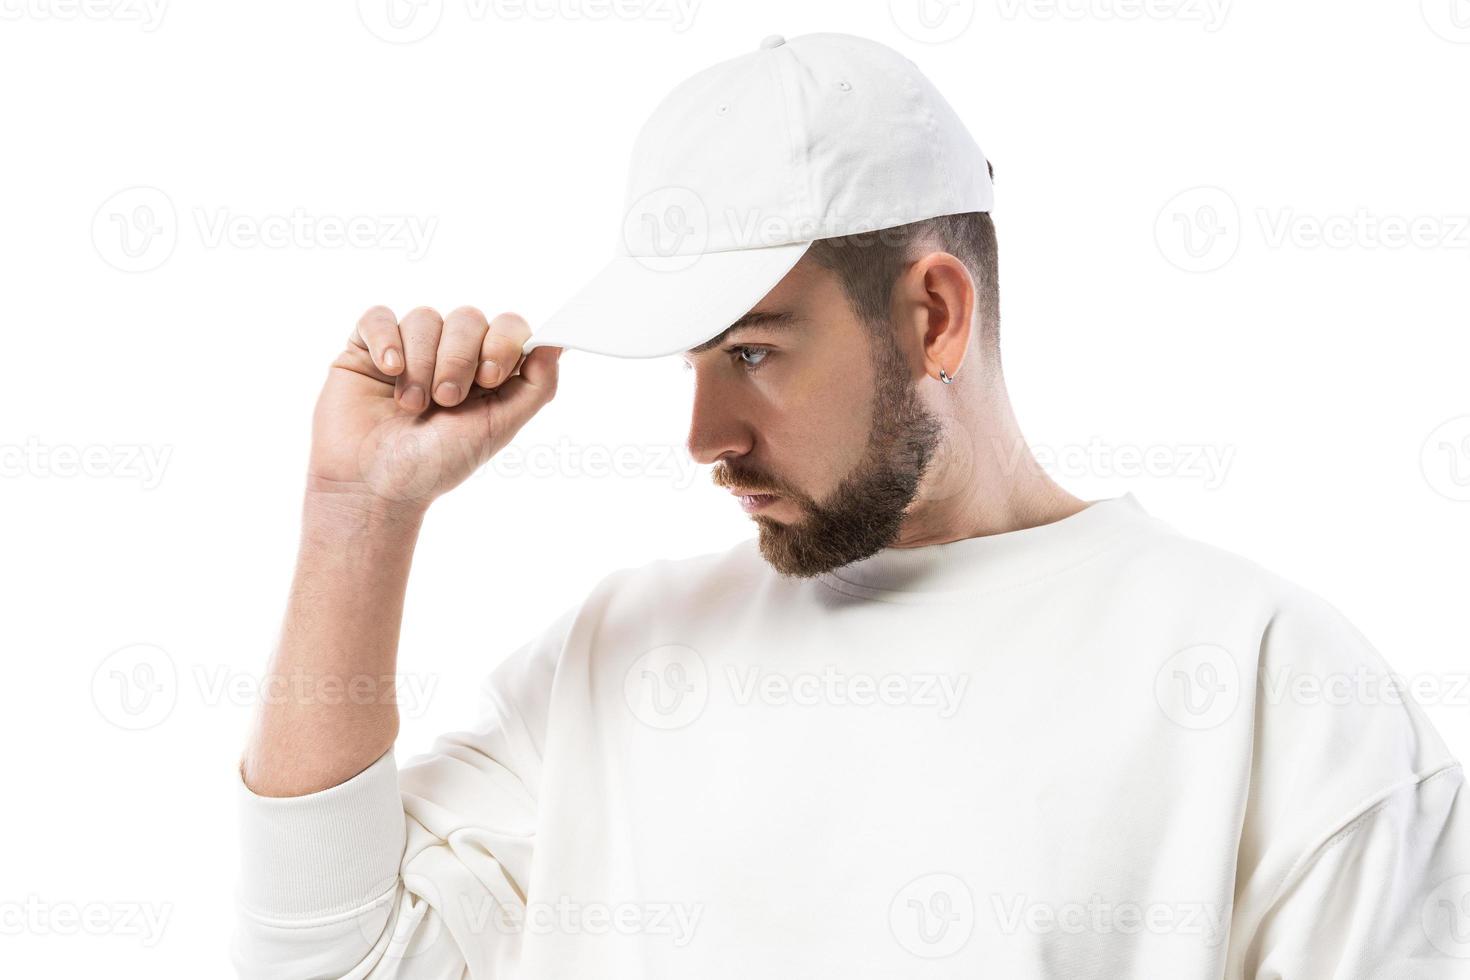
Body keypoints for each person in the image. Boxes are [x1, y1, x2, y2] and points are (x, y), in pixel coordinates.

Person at [233, 32, 1470, 978]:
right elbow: (333, 957)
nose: (705, 436)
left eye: (755, 352)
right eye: (692, 361)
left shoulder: (1276, 684)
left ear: (932, 315)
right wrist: (357, 515)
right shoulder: (622, 653)